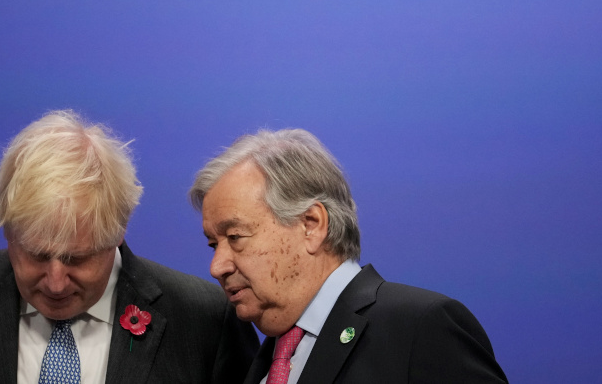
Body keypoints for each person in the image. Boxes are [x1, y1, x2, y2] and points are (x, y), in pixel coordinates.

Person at [0, 110, 258, 384]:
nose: (54, 282)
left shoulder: (204, 321)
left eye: (76, 258)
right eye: (35, 254)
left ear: (118, 232)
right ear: (7, 231)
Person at [189, 128, 508, 384]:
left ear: (311, 225)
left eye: (235, 237)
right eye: (213, 245)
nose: (217, 267)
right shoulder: (262, 364)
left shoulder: (421, 329)